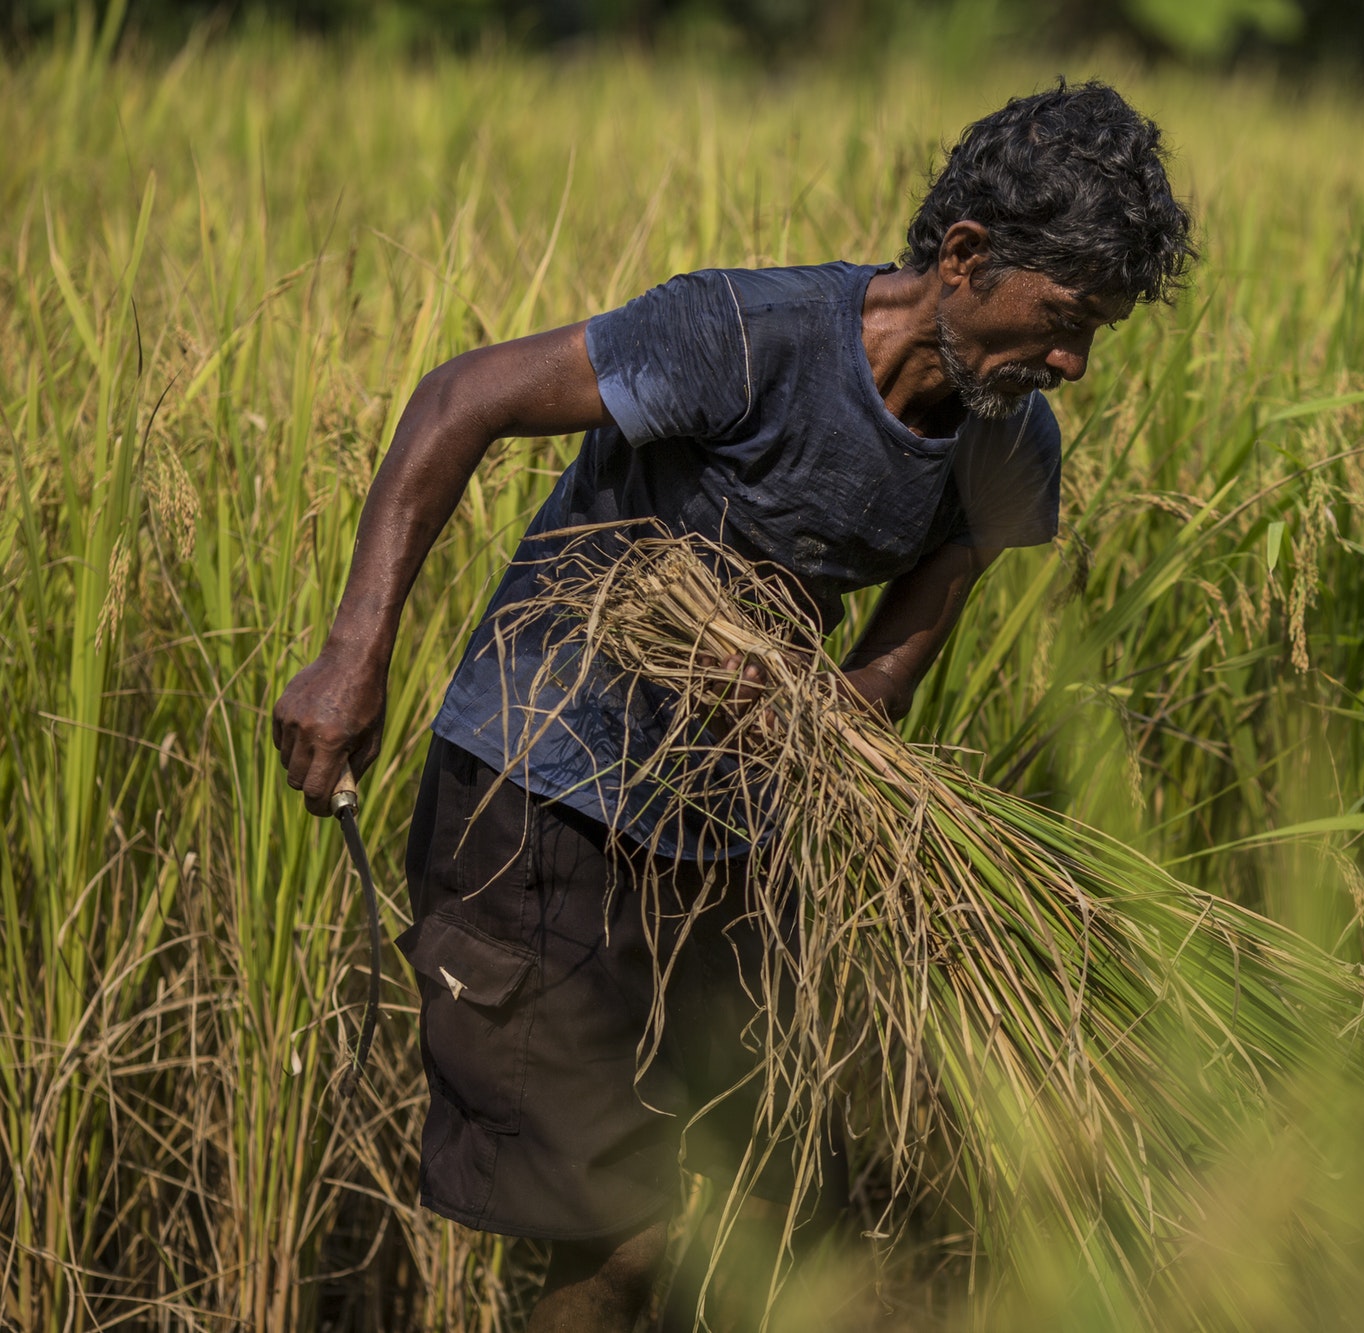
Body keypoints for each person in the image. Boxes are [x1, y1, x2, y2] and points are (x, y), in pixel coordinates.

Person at [272, 78, 1195, 1330]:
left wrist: (810, 720)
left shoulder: (1004, 446)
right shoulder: (743, 338)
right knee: (619, 1235)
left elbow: (884, 673)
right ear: (966, 257)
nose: (1074, 363)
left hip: (719, 841)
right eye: (1065, 317)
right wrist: (352, 653)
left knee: (754, 1216)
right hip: (539, 802)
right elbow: (460, 398)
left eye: (1099, 334)